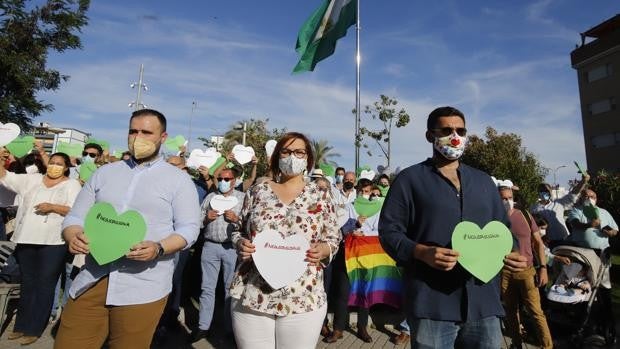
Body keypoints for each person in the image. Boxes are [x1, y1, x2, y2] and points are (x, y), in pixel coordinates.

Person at [378, 106, 527, 349]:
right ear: (430, 135)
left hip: (483, 303)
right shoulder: (410, 179)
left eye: (460, 130)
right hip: (432, 303)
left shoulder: (484, 181)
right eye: (446, 130)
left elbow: (502, 229)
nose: (455, 136)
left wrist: (514, 251)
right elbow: (389, 232)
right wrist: (420, 252)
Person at [54, 109, 201, 349]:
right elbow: (74, 217)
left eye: (146, 132)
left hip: (143, 285)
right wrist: (73, 236)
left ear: (163, 137)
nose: (137, 138)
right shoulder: (104, 173)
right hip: (93, 277)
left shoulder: (178, 180)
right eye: (133, 131)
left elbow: (189, 229)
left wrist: (159, 247)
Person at [231, 132, 340, 349]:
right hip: (253, 292)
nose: (293, 157)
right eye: (286, 151)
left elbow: (334, 236)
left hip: (304, 295)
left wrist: (325, 249)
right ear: (277, 156)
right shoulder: (258, 191)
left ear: (308, 159)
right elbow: (238, 230)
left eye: (299, 152)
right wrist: (239, 243)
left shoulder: (320, 194)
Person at [0, 152, 81, 345]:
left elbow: (76, 209)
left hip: (53, 242)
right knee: (28, 282)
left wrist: (53, 207)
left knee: (44, 284)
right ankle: (21, 326)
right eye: (52, 162)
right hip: (26, 239)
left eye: (59, 164)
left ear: (66, 168)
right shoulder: (33, 179)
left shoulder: (72, 184)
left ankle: (34, 328)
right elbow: (5, 176)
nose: (54, 166)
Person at [190, 168, 245, 343]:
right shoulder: (210, 197)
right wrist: (207, 218)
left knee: (230, 289)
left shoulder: (243, 198)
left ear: (234, 180)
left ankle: (230, 328)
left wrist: (237, 219)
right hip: (210, 246)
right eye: (220, 178)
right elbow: (197, 221)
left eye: (227, 179)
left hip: (231, 248)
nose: (223, 181)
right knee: (207, 288)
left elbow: (250, 222)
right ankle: (203, 327)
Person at [498, 183, 552, 349]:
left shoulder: (525, 215)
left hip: (526, 271)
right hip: (504, 271)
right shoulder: (493, 218)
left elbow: (538, 243)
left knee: (536, 312)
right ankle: (516, 343)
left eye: (510, 198)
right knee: (511, 312)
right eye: (503, 199)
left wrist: (543, 268)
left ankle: (547, 345)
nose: (507, 201)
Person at [324, 178, 375, 343]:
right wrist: (354, 229)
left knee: (364, 291)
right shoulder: (347, 208)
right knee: (342, 292)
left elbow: (378, 230)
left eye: (368, 192)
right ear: (357, 191)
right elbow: (340, 228)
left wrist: (366, 236)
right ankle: (338, 329)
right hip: (347, 255)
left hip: (366, 255)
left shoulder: (377, 210)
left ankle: (362, 327)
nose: (365, 194)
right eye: (362, 191)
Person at [530, 175, 589, 244]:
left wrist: (583, 181)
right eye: (541, 190)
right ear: (538, 192)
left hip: (563, 238)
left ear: (550, 192)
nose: (544, 192)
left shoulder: (558, 203)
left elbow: (573, 194)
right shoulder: (533, 208)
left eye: (546, 190)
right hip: (546, 241)